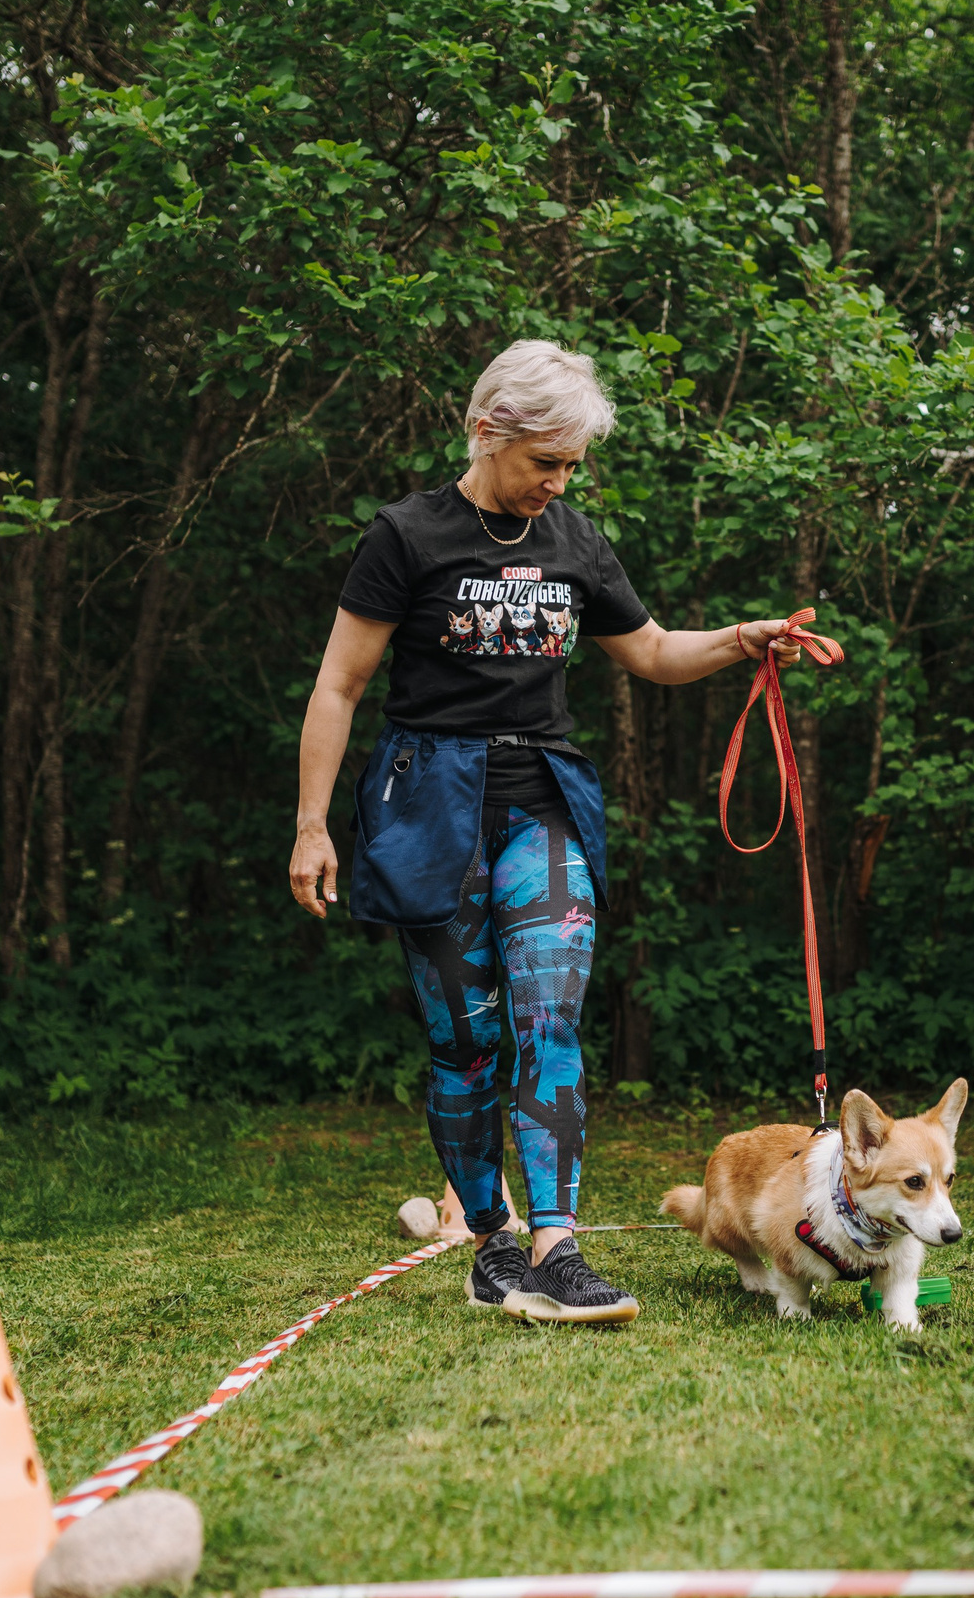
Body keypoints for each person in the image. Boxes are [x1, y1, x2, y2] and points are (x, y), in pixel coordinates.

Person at [288, 341, 801, 1325]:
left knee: (549, 1020)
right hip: (430, 806)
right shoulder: (407, 536)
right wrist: (313, 825)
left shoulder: (573, 541)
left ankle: (558, 1243)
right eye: (543, 463)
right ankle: (492, 1242)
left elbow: (648, 650)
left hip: (543, 803)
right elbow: (339, 683)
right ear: (487, 431)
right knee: (465, 1045)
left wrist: (743, 639)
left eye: (570, 467)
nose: (556, 484)